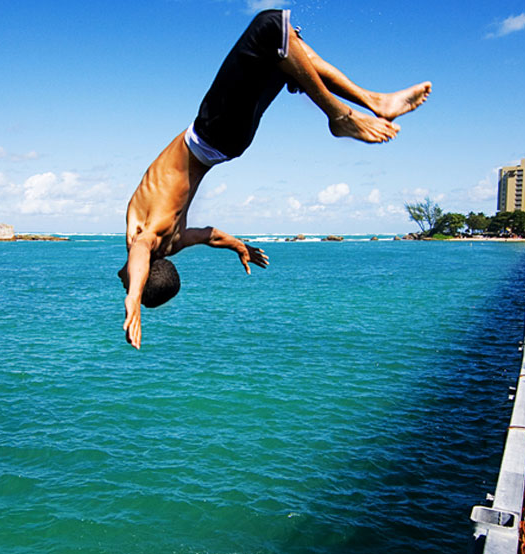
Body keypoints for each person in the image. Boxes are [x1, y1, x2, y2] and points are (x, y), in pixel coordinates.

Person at [120, 9, 431, 349]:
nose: (121, 280)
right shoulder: (145, 236)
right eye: (127, 283)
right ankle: (341, 116)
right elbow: (140, 250)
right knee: (269, 27)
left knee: (285, 50)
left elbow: (211, 236)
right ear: (146, 271)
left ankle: (376, 100)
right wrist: (134, 299)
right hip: (212, 132)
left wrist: (241, 247)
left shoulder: (173, 242)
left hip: (228, 144)